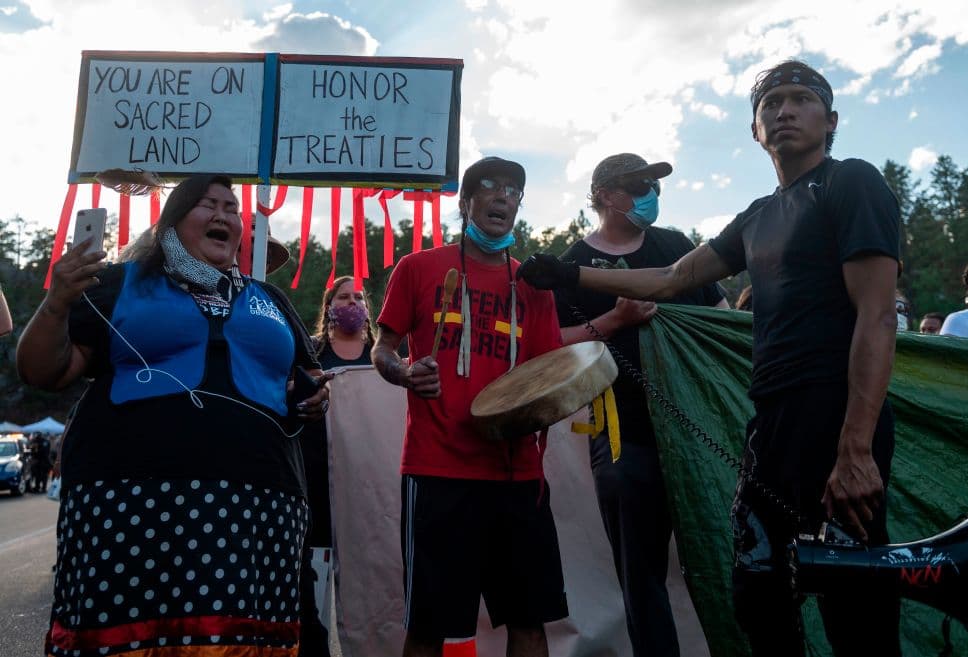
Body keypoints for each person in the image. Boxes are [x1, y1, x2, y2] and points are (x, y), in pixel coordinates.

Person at [518, 60, 902, 656]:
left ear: (830, 120)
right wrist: (571, 274)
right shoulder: (758, 215)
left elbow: (877, 316)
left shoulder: (851, 182)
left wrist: (856, 449)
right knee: (759, 593)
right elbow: (673, 277)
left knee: (852, 603)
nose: (784, 110)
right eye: (771, 103)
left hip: (836, 412)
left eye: (801, 99)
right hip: (769, 422)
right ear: (755, 129)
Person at [17, 173, 330, 657]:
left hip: (259, 505)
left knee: (241, 641)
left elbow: (306, 380)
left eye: (231, 207)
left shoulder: (271, 301)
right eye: (208, 204)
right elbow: (44, 371)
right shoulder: (119, 283)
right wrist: (57, 302)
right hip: (129, 503)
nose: (224, 214)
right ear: (172, 222)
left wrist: (311, 398)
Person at [372, 156, 568, 657]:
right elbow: (383, 349)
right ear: (466, 202)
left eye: (513, 190)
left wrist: (568, 391)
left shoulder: (533, 285)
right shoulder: (418, 268)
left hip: (518, 475)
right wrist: (404, 372)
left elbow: (547, 373)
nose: (503, 196)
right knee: (428, 627)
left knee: (529, 623)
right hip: (438, 470)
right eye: (490, 186)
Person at [554, 152, 728, 657]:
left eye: (656, 185)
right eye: (639, 185)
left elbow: (721, 315)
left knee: (722, 555)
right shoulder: (572, 265)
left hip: (697, 429)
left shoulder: (676, 246)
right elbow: (552, 343)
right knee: (642, 573)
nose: (652, 193)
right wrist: (615, 321)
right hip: (622, 433)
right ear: (604, 195)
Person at [298, 274, 377, 656]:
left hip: (367, 481)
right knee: (316, 568)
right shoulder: (311, 353)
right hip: (318, 476)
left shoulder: (382, 356)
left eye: (358, 297)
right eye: (343, 297)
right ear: (328, 307)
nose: (352, 303)